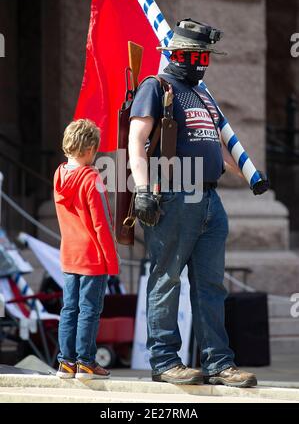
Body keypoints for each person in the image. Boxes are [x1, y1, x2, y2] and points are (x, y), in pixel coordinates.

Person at [129, 19, 269, 387]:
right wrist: (142, 189)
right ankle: (164, 361)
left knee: (211, 285)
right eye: (200, 54)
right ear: (181, 55)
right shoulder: (155, 86)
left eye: (206, 55)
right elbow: (136, 138)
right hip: (173, 194)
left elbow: (210, 144)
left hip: (208, 196)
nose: (204, 61)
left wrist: (246, 174)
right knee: (167, 279)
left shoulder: (203, 94)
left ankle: (219, 364)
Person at [54, 118, 119, 379]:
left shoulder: (59, 175)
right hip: (92, 256)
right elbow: (101, 223)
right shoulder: (92, 179)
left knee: (69, 309)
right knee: (89, 311)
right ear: (91, 148)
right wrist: (112, 261)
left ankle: (65, 362)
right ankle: (85, 362)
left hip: (69, 254)